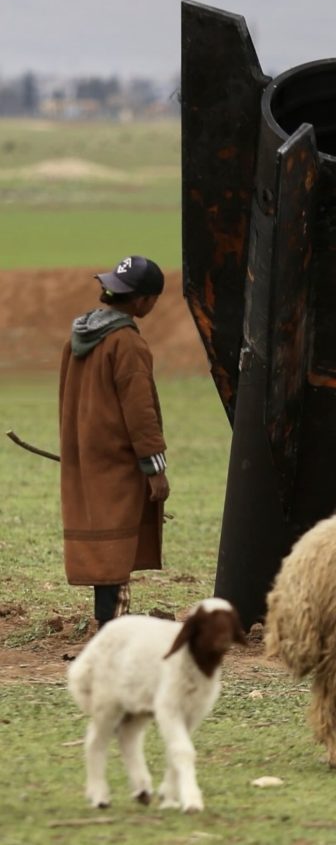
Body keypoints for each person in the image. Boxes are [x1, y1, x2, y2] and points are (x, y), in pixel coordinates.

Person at [59, 255, 170, 629]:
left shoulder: (78, 338)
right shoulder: (127, 344)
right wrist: (155, 469)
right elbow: (141, 414)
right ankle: (114, 628)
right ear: (144, 302)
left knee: (103, 538)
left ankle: (107, 620)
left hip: (85, 453)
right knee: (117, 542)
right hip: (117, 460)